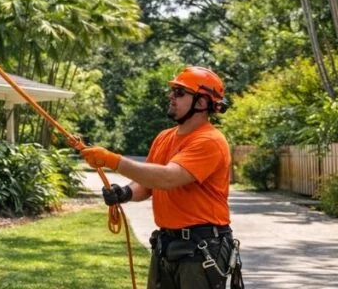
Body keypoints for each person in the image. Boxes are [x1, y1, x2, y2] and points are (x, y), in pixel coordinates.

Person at [81, 66, 243, 289]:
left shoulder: (210, 141)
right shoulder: (164, 138)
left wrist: (112, 160)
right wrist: (125, 192)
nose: (171, 96)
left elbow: (168, 178)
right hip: (167, 245)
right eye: (173, 91)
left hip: (201, 248)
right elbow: (148, 183)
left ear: (202, 102)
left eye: (180, 92)